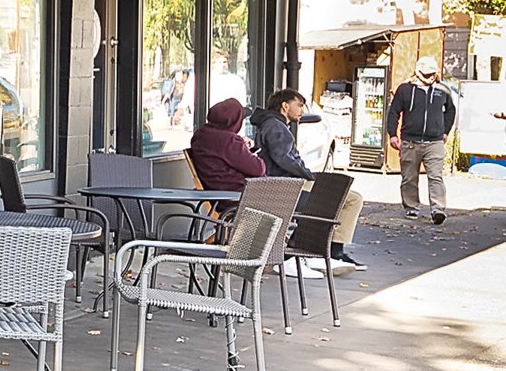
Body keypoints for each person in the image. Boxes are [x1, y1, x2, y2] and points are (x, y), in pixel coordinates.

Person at [252, 88, 365, 273]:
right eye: (299, 105)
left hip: (288, 181)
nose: (302, 110)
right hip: (284, 184)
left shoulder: (276, 124)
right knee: (340, 199)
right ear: (285, 106)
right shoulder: (274, 125)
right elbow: (283, 159)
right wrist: (307, 174)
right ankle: (308, 251)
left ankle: (332, 250)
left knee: (351, 196)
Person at [384, 55, 457, 223]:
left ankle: (438, 209)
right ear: (418, 73)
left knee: (436, 176)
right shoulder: (404, 89)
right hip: (410, 141)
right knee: (409, 177)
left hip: (435, 141)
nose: (430, 77)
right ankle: (411, 207)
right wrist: (393, 134)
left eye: (433, 73)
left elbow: (450, 111)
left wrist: (445, 131)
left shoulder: (442, 90)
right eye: (427, 74)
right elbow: (394, 112)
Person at [189, 97, 266, 190]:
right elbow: (258, 168)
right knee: (283, 190)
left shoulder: (200, 136)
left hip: (215, 192)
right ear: (234, 121)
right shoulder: (228, 141)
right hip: (235, 194)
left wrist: (240, 145)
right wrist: (246, 149)